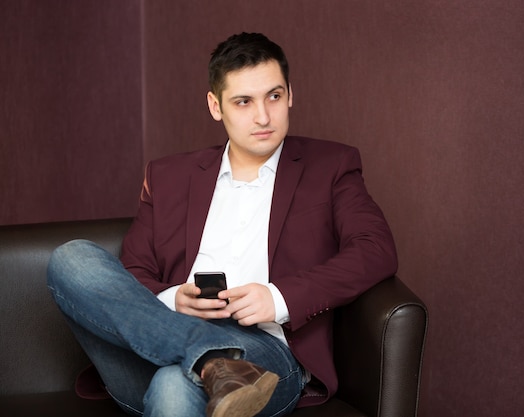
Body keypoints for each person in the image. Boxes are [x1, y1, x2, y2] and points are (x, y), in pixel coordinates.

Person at [47, 32, 397, 417]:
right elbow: (135, 271)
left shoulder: (330, 166)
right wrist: (172, 299)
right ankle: (209, 361)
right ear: (216, 106)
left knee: (174, 386)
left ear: (290, 94)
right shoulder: (168, 176)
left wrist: (278, 298)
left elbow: (375, 248)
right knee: (71, 257)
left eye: (274, 97)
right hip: (152, 342)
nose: (263, 116)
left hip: (263, 356)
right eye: (243, 102)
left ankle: (207, 364)